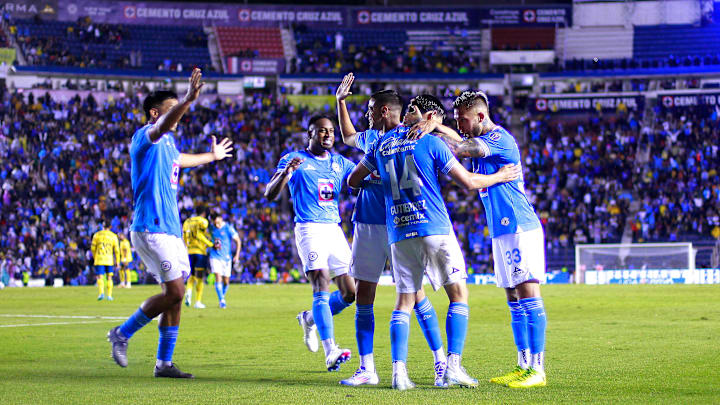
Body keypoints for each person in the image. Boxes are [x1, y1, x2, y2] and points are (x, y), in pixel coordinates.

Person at [348, 103, 520, 390]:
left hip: (399, 231)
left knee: (403, 302)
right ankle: (452, 367)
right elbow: (467, 182)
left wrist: (381, 177)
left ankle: (398, 374)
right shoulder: (431, 143)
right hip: (434, 228)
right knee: (458, 294)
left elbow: (354, 180)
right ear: (429, 118)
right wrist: (500, 177)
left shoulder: (380, 145)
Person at [107, 68, 233, 379]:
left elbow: (183, 159)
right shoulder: (145, 137)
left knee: (176, 295)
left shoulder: (169, 147)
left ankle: (164, 363)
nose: (177, 112)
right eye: (171, 106)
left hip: (172, 231)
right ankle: (121, 333)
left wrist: (212, 156)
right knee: (176, 292)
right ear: (155, 112)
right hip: (150, 226)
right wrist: (189, 99)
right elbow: (166, 124)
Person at [426, 90, 548, 388]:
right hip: (501, 231)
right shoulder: (482, 137)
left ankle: (538, 369)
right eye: (457, 121)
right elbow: (462, 141)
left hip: (519, 227)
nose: (461, 125)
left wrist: (436, 130)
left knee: (529, 296)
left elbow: (464, 149)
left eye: (463, 120)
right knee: (513, 300)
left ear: (480, 116)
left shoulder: (500, 139)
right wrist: (440, 126)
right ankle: (523, 365)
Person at [335, 74, 450, 387]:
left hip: (399, 223)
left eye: (371, 109)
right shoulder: (371, 137)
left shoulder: (411, 135)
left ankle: (441, 361)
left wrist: (433, 123)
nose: (367, 115)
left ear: (385, 110)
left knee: (417, 296)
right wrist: (340, 102)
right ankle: (367, 369)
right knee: (364, 296)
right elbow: (347, 136)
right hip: (367, 222)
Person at [264, 115, 356, 372]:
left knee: (351, 294)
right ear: (310, 134)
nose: (327, 134)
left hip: (334, 229)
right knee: (321, 285)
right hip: (308, 228)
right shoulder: (294, 158)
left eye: (330, 131)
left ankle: (309, 318)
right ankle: (331, 350)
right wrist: (286, 173)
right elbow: (270, 194)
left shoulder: (340, 163)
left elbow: (360, 177)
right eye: (321, 131)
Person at [183, 206, 214, 309]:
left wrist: (186, 247)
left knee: (191, 276)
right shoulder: (203, 221)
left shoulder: (187, 221)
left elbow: (184, 236)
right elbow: (199, 235)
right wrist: (210, 244)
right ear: (204, 213)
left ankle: (188, 292)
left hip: (189, 251)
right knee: (200, 278)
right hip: (200, 252)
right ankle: (198, 302)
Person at [208, 211, 241, 309]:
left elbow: (238, 241)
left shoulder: (228, 228)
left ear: (221, 219)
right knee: (218, 277)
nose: (217, 225)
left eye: (218, 223)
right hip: (215, 256)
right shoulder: (211, 228)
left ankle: (222, 297)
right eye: (215, 223)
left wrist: (237, 255)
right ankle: (222, 301)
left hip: (227, 258)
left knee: (226, 281)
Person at [90, 220, 120, 300]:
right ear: (110, 227)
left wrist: (95, 256)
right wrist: (117, 261)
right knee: (109, 277)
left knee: (100, 277)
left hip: (99, 259)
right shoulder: (113, 236)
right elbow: (117, 250)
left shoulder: (97, 235)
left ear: (102, 226)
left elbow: (92, 248)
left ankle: (101, 294)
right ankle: (109, 295)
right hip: (109, 259)